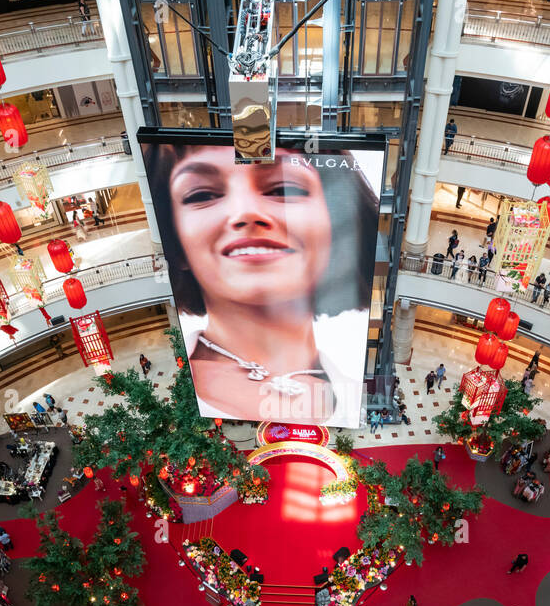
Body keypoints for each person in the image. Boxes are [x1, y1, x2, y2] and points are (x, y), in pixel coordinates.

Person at [144, 142, 377, 426]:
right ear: (176, 242)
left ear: (338, 224)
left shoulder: (354, 398)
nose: (246, 212)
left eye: (282, 189)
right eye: (202, 194)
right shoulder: (181, 400)